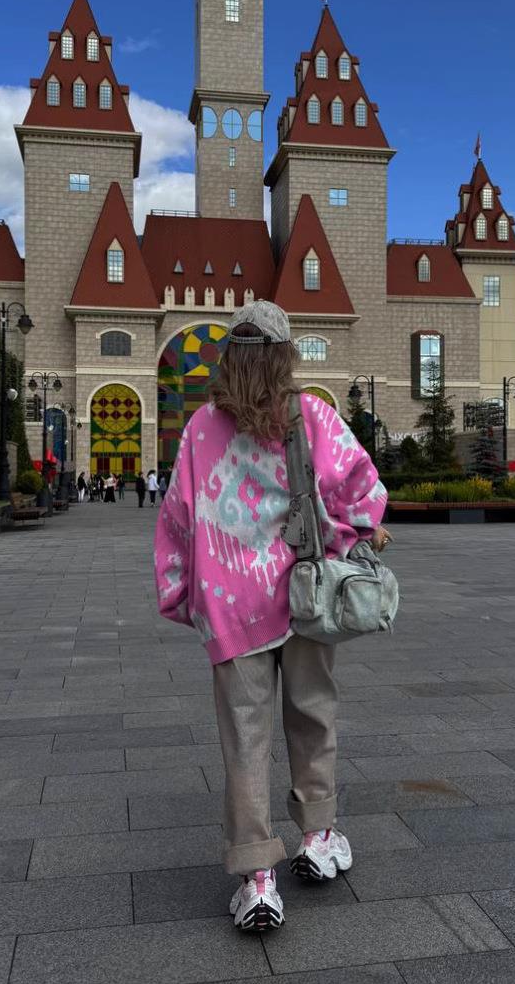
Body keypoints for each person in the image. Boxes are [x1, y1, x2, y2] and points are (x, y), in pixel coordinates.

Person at [154, 299, 389, 933]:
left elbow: (177, 516)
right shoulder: (310, 415)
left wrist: (183, 594)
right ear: (285, 357)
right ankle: (317, 835)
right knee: (313, 714)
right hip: (305, 597)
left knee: (244, 735)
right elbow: (363, 489)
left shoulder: (201, 428)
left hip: (231, 604)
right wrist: (350, 533)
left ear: (229, 358)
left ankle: (258, 877)